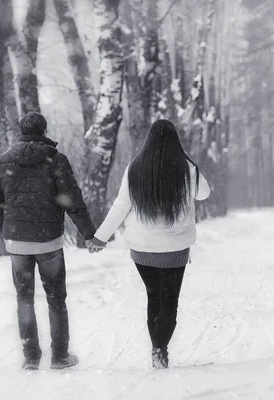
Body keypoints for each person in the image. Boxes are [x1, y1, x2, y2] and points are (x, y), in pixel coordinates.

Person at [89, 119, 211, 369]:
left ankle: (156, 347)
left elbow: (121, 205)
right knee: (169, 300)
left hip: (143, 250)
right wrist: (190, 163)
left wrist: (100, 236)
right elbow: (204, 193)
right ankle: (160, 348)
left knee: (153, 296)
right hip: (175, 250)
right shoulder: (186, 168)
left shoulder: (135, 168)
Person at [0, 112, 100, 370]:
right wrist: (88, 233)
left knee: (24, 299)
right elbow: (72, 199)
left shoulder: (3, 161)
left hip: (17, 244)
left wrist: (7, 230)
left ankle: (30, 358)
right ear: (44, 131)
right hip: (48, 242)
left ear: (20, 130)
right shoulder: (55, 160)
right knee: (56, 299)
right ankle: (59, 356)